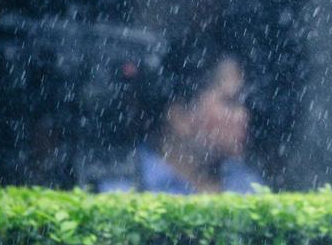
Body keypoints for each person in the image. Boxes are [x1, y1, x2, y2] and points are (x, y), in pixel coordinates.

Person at [97, 43, 263, 195]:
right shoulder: (122, 188)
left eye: (243, 103)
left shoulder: (245, 182)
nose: (244, 115)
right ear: (179, 116)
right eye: (230, 102)